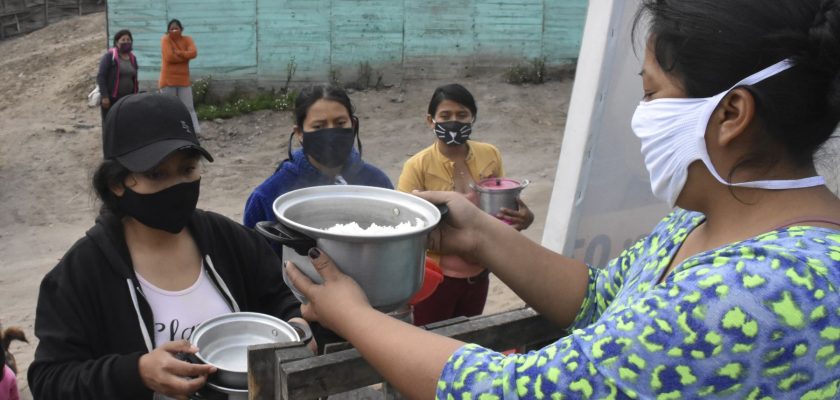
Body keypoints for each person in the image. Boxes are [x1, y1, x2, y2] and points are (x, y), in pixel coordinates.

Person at [285, 0, 840, 398]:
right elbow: (602, 301)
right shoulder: (705, 219)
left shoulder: (753, 291)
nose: (640, 116)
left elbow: (509, 391)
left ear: (731, 114)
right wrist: (479, 232)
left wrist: (353, 316)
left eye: (652, 94)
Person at [28, 93, 306, 399]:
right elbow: (50, 380)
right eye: (156, 174)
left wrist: (298, 327)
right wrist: (136, 373)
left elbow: (279, 300)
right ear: (117, 183)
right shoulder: (80, 274)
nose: (176, 186)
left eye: (187, 170)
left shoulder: (227, 240)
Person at [397, 83, 534, 326]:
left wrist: (521, 218)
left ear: (473, 118)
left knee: (468, 341)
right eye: (445, 116)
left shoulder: (490, 154)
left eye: (462, 115)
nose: (454, 122)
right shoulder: (417, 166)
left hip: (479, 276)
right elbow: (402, 224)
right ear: (431, 121)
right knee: (431, 344)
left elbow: (499, 208)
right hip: (434, 280)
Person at [243, 83, 393, 242]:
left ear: (353, 125)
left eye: (340, 123)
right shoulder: (268, 197)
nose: (331, 134)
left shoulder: (377, 184)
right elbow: (252, 260)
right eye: (319, 126)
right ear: (299, 133)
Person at [159, 19, 200, 133]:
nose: (174, 30)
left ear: (181, 29)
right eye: (171, 28)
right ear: (168, 30)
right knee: (169, 108)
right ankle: (169, 132)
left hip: (183, 80)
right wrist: (185, 57)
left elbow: (194, 53)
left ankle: (195, 131)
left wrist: (180, 53)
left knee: (188, 107)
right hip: (168, 81)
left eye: (176, 28)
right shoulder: (165, 39)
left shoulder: (187, 39)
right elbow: (169, 57)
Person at [96, 29, 138, 125]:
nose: (126, 42)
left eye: (128, 40)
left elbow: (134, 79)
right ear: (116, 42)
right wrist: (105, 96)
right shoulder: (110, 56)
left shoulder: (132, 58)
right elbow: (101, 76)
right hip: (111, 99)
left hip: (128, 99)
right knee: (110, 124)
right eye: (123, 40)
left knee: (125, 124)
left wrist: (135, 95)